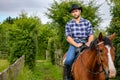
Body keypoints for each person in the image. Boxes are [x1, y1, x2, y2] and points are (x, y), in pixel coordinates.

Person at [63, 4, 94, 80]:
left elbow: (91, 35)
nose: (75, 13)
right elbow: (68, 37)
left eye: (76, 11)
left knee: (97, 56)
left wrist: (88, 43)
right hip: (74, 43)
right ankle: (67, 78)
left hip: (86, 43)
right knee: (68, 60)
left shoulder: (87, 22)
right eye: (73, 12)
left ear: (79, 11)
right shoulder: (69, 24)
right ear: (71, 13)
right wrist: (76, 44)